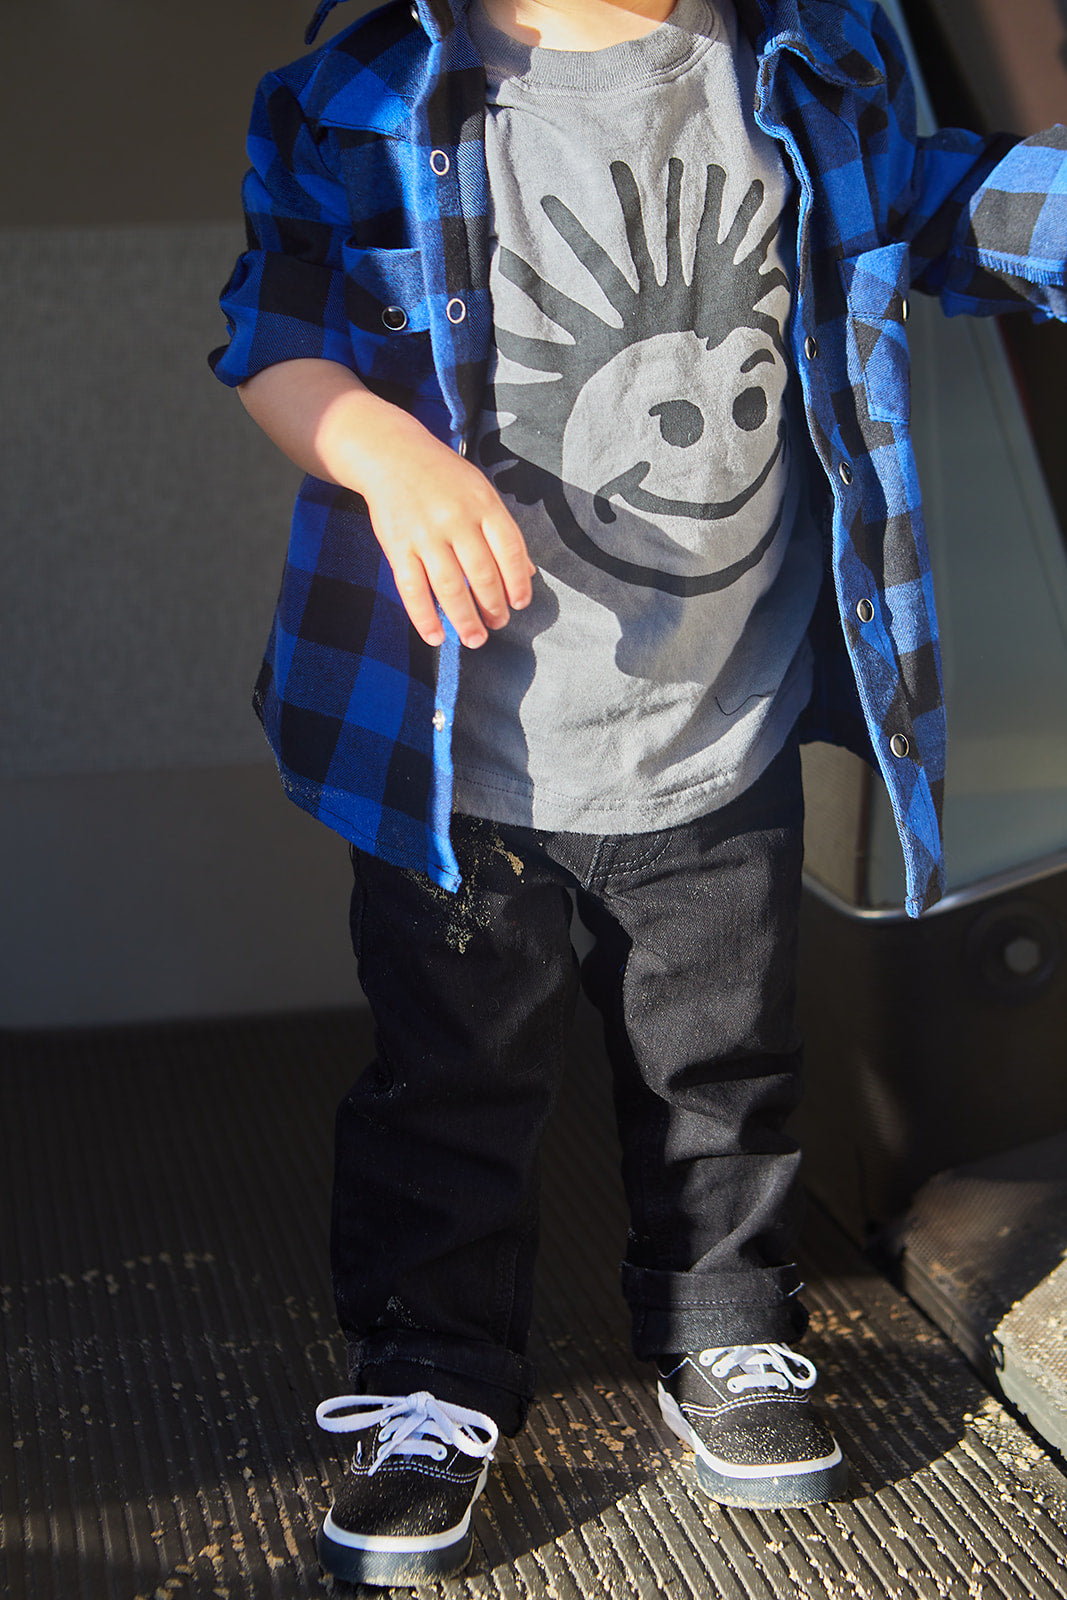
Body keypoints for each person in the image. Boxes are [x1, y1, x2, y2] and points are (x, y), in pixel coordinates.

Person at [211, 0, 1067, 1584]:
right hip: (468, 756)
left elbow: (944, 203)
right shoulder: (372, 89)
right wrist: (387, 454)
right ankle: (435, 1370)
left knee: (722, 1066)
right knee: (453, 1085)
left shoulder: (804, 63)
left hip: (712, 722)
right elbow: (275, 328)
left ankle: (723, 1321)